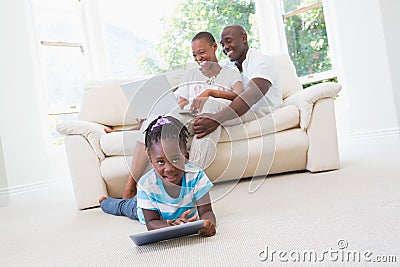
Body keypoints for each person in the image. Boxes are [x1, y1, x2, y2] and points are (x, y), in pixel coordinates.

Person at [122, 31, 243, 199]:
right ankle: (130, 187)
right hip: (187, 116)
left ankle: (183, 192)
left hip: (212, 119)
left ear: (214, 47)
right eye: (194, 55)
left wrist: (210, 93)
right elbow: (182, 104)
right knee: (153, 122)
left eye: (202, 52)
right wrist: (159, 111)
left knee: (205, 135)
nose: (199, 58)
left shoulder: (231, 73)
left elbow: (239, 96)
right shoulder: (191, 74)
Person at [99, 116, 216, 236]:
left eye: (175, 159)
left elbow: (206, 211)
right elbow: (151, 222)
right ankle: (105, 202)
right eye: (161, 162)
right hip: (143, 208)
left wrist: (209, 225)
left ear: (186, 156)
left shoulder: (196, 177)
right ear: (150, 159)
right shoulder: (146, 185)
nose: (169, 169)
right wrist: (172, 227)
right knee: (123, 207)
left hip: (173, 216)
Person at [189, 24, 282, 168]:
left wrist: (216, 119)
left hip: (259, 112)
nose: (225, 47)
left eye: (229, 41)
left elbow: (250, 97)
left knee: (211, 109)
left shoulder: (261, 61)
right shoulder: (229, 65)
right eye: (222, 44)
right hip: (238, 110)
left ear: (243, 38)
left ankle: (192, 176)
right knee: (200, 112)